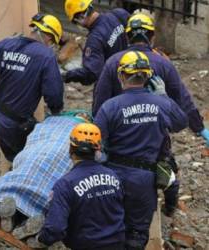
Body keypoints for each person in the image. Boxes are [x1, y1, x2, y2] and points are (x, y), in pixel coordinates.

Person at [94, 51, 188, 249]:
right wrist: (164, 96)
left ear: (121, 76)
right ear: (148, 76)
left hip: (112, 176)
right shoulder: (162, 104)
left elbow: (96, 142)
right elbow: (181, 122)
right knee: (137, 234)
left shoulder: (110, 107)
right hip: (144, 180)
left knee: (108, 228)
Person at [93, 13, 209, 145]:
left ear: (127, 37)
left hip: (118, 142)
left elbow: (99, 101)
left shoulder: (113, 62)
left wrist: (99, 135)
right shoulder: (163, 64)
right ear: (152, 37)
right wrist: (200, 129)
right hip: (155, 146)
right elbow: (182, 100)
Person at [0, 13, 64, 162]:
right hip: (15, 124)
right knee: (30, 160)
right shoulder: (46, 56)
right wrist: (56, 111)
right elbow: (54, 94)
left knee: (16, 158)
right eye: (53, 43)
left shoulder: (6, 44)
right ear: (49, 37)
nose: (51, 46)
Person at [0, 111, 92, 226]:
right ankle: (26, 221)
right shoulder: (88, 136)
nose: (83, 116)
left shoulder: (53, 121)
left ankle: (2, 205)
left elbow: (36, 134)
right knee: (52, 187)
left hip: (40, 151)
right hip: (56, 160)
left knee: (26, 168)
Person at [37, 123, 125, 250]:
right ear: (98, 150)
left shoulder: (65, 184)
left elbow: (56, 228)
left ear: (71, 149)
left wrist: (42, 238)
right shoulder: (114, 176)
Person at [63, 0, 130, 85]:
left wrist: (67, 75)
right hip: (132, 74)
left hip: (114, 85)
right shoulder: (117, 14)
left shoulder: (94, 40)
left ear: (80, 17)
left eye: (74, 22)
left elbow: (91, 74)